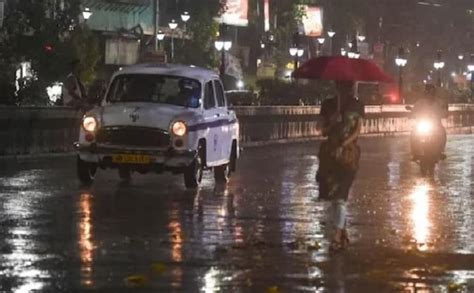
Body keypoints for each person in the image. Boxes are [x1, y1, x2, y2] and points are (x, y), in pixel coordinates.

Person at [316, 80, 364, 251]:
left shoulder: (357, 105)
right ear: (337, 86)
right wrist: (332, 122)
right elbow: (321, 130)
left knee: (341, 195)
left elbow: (358, 130)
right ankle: (342, 231)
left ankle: (336, 235)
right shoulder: (328, 104)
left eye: (349, 86)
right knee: (334, 196)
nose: (348, 89)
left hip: (348, 156)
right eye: (344, 86)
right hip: (329, 155)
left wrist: (344, 143)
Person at [411, 84, 448, 158]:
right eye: (428, 93)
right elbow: (414, 111)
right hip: (422, 124)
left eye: (431, 93)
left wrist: (445, 113)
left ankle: (440, 150)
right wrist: (412, 114)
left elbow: (444, 111)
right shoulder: (420, 103)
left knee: (443, 133)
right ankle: (414, 152)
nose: (430, 95)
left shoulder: (439, 103)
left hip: (436, 125)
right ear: (425, 93)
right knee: (413, 133)